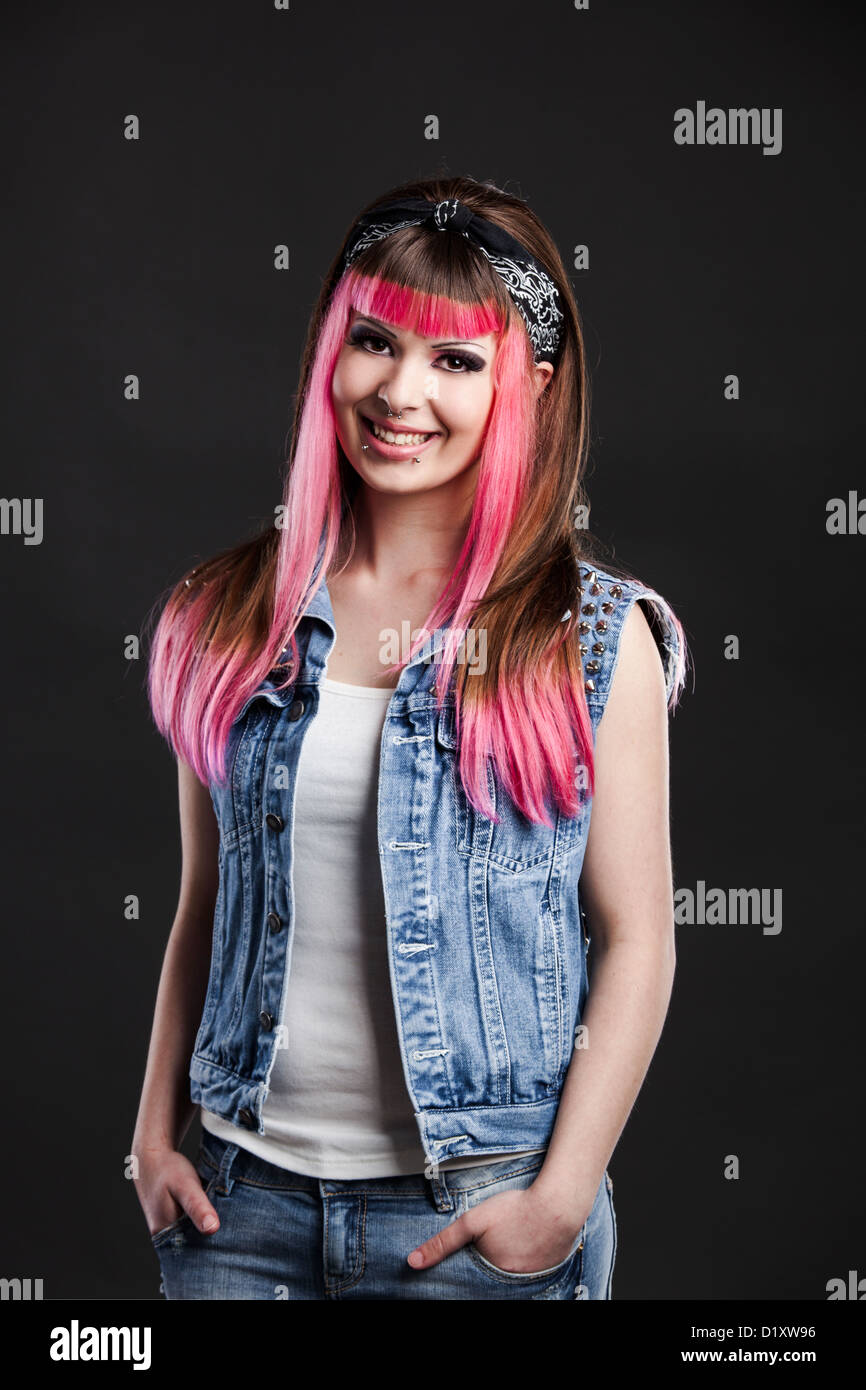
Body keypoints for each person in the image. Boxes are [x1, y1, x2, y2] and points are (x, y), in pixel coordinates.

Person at [132, 174, 689, 1301]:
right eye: (374, 341)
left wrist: (562, 1196)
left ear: (526, 384)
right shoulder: (227, 615)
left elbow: (637, 941)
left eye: (454, 359)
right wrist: (150, 1136)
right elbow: (204, 904)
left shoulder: (588, 639)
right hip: (236, 1208)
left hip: (473, 1222)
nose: (399, 390)